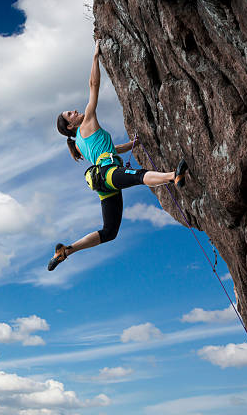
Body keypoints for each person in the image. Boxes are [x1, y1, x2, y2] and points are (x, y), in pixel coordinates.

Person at [47, 42, 187, 271]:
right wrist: (95, 57)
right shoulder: (88, 121)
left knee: (109, 232)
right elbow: (94, 85)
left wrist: (132, 145)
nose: (75, 111)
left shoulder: (80, 144)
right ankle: (174, 176)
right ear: (71, 126)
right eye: (70, 114)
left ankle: (67, 250)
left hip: (103, 180)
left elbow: (108, 149)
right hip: (108, 173)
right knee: (139, 176)